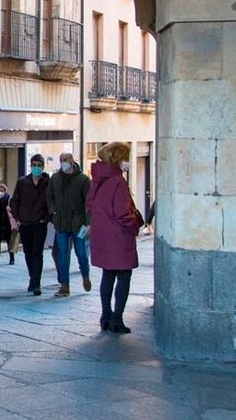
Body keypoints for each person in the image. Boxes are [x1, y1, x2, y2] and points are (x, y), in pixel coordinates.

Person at [86, 142, 144, 334]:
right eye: (126, 158)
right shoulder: (118, 181)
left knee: (108, 275)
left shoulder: (99, 178)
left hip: (103, 235)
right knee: (124, 276)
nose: (128, 163)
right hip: (118, 236)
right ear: (118, 159)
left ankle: (105, 316)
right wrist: (135, 224)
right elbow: (123, 212)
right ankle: (117, 319)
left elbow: (91, 205)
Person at [46, 152, 92, 298]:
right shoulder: (55, 178)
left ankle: (85, 275)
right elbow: (49, 197)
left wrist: (88, 223)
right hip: (61, 224)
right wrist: (53, 212)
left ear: (72, 161)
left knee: (81, 253)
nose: (63, 162)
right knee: (62, 255)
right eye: (61, 160)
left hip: (79, 224)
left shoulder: (83, 180)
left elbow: (90, 203)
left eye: (65, 160)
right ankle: (64, 285)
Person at [9, 153, 50, 296]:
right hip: (25, 223)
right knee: (28, 253)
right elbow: (14, 201)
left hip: (40, 223)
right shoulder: (22, 182)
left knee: (37, 252)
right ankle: (33, 279)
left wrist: (45, 218)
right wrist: (18, 218)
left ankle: (36, 283)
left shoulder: (47, 183)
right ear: (30, 166)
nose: (36, 168)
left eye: (39, 166)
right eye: (34, 165)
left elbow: (51, 203)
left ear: (43, 167)